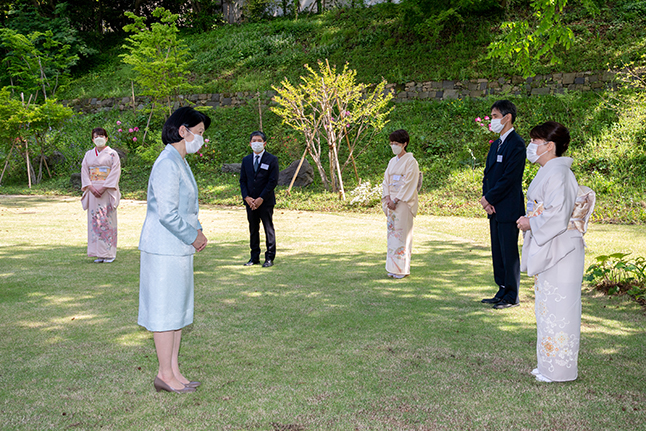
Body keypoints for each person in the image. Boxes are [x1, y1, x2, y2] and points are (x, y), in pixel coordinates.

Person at [137, 106, 210, 394]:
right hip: (164, 249)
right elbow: (167, 213)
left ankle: (174, 371)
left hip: (177, 249)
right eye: (200, 133)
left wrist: (198, 230)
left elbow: (187, 206)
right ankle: (164, 374)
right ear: (183, 130)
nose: (201, 139)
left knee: (176, 312)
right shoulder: (167, 162)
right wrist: (193, 236)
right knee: (165, 313)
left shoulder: (178, 160)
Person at [516, 121, 590, 383]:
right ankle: (548, 364)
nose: (531, 147)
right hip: (553, 246)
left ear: (549, 146)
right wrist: (532, 220)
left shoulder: (558, 173)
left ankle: (560, 370)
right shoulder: (548, 171)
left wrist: (529, 222)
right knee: (547, 307)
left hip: (562, 247)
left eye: (535, 142)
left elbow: (557, 215)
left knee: (561, 309)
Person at [480, 100, 526, 309]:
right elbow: (488, 175)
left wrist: (490, 198)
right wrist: (486, 199)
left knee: (509, 251)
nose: (492, 120)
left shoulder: (516, 144)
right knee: (497, 251)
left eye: (495, 116)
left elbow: (510, 178)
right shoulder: (497, 144)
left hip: (508, 207)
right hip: (494, 208)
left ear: (507, 118)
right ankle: (501, 289)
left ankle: (512, 295)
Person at [382, 129, 420, 279]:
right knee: (392, 234)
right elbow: (386, 181)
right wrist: (387, 198)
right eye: (391, 143)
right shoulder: (392, 162)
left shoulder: (411, 162)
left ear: (405, 144)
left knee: (402, 234)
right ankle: (393, 267)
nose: (393, 146)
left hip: (403, 202)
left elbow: (409, 182)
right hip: (391, 201)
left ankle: (402, 268)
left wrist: (396, 199)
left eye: (396, 143)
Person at [80, 127, 121, 263]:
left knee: (107, 219)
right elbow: (85, 171)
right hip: (93, 190)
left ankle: (109, 253)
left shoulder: (112, 154)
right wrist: (90, 187)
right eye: (96, 136)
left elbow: (115, 172)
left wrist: (104, 187)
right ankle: (98, 253)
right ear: (92, 139)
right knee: (95, 221)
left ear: (106, 138)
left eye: (102, 135)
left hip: (107, 190)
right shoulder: (88, 154)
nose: (99, 138)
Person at [239, 131, 279, 267]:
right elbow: (243, 181)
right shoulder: (246, 160)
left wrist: (261, 198)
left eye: (259, 140)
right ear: (250, 143)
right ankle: (254, 257)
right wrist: (247, 197)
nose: (256, 143)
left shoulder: (272, 159)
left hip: (265, 201)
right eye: (254, 141)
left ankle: (269, 257)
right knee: (253, 229)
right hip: (250, 203)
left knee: (268, 228)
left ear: (264, 143)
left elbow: (272, 182)